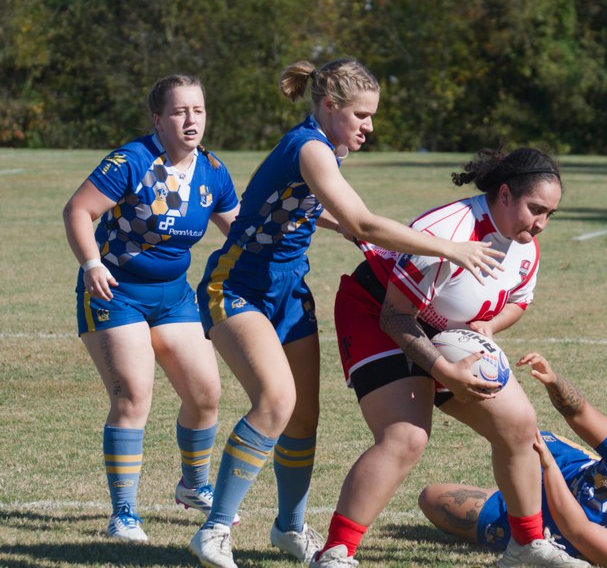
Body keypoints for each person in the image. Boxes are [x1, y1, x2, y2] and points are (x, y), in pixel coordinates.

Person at [187, 58, 503, 568]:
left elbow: (309, 206)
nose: (369, 127)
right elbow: (364, 218)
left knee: (303, 419)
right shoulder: (310, 146)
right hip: (237, 287)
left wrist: (339, 227)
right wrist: (448, 248)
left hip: (289, 291)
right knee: (276, 400)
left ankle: (289, 528)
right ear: (330, 106)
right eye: (361, 115)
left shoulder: (325, 146)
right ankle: (215, 530)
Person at [311, 146, 587, 568]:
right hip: (376, 311)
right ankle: (335, 553)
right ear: (506, 194)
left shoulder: (523, 243)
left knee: (520, 426)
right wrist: (444, 372)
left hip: (444, 331)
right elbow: (395, 314)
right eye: (536, 209)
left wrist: (491, 327)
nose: (542, 224)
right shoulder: (448, 231)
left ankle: (526, 547)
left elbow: (518, 300)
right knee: (407, 436)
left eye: (550, 214)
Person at [62, 74, 241, 542]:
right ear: (158, 119)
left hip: (174, 295)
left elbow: (241, 231)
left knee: (205, 394)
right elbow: (78, 211)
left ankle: (193, 485)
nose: (191, 120)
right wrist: (91, 264)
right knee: (133, 395)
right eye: (180, 111)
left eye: (198, 111)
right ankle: (123, 514)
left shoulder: (212, 171)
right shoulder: (131, 160)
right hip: (115, 293)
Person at [419, 351, 607, 568]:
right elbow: (579, 412)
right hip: (564, 463)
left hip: (545, 522)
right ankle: (430, 370)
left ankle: (518, 508)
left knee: (431, 499)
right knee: (512, 427)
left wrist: (548, 468)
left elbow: (577, 529)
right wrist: (553, 381)